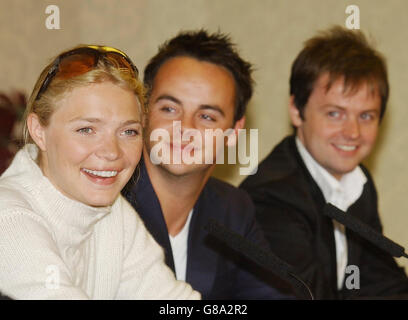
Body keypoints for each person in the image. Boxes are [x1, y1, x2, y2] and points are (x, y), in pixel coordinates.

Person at [0, 45, 200, 300]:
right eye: (86, 129)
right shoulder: (8, 218)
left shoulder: (114, 214)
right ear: (39, 131)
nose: (112, 152)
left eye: (129, 132)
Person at [240, 26, 408, 299]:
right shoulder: (270, 198)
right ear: (296, 110)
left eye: (366, 116)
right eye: (335, 114)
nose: (353, 132)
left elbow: (380, 283)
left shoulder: (357, 183)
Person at [123, 30, 290, 299]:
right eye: (169, 109)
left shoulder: (232, 209)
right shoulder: (106, 197)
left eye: (207, 116)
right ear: (143, 112)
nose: (185, 128)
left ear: (234, 132)